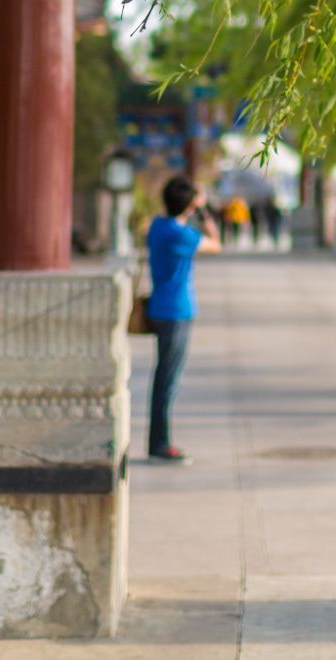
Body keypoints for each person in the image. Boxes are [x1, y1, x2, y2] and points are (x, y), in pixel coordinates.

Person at [145, 176, 222, 464]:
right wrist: (204, 213)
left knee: (163, 375)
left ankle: (158, 441)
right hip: (177, 311)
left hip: (159, 307)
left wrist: (192, 206)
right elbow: (216, 244)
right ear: (190, 206)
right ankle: (160, 444)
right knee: (169, 379)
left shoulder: (157, 227)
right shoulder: (183, 236)